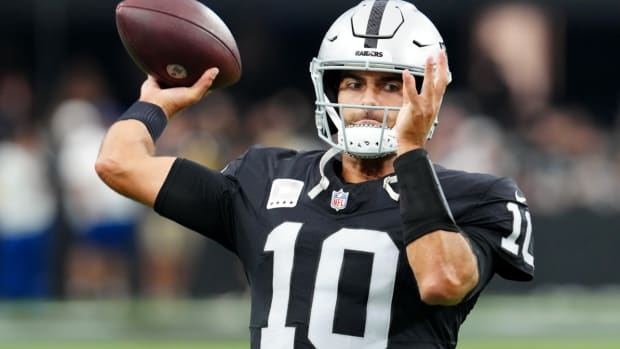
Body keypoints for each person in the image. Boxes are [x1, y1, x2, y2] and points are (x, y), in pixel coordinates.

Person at [96, 0, 534, 347]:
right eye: (352, 83)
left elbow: (443, 280)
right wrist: (156, 103)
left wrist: (410, 152)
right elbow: (119, 164)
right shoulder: (265, 177)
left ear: (428, 94)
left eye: (388, 85)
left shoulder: (477, 197)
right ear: (329, 90)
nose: (366, 101)